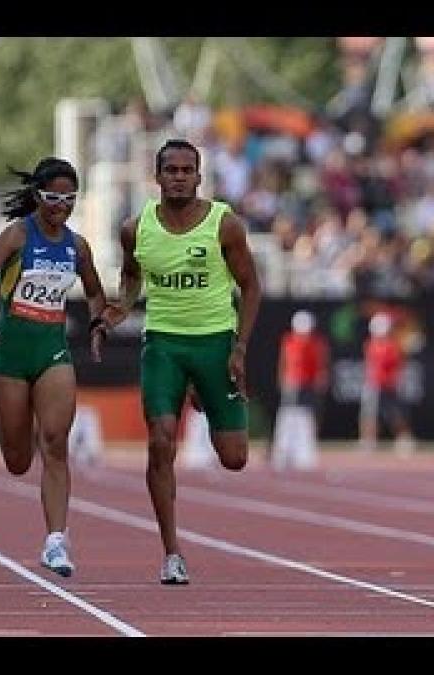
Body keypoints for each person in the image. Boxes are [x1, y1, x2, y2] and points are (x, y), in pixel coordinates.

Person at [93, 138, 262, 585]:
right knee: (162, 440)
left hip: (215, 343)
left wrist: (239, 349)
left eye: (188, 170)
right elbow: (131, 279)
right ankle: (172, 552)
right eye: (172, 169)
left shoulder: (225, 225)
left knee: (235, 457)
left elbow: (252, 287)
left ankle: (201, 390)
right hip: (163, 343)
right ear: (158, 176)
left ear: (199, 176)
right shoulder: (135, 228)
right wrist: (117, 311)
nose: (180, 176)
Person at [0, 157, 108, 578]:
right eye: (53, 197)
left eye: (69, 198)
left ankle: (56, 541)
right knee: (18, 460)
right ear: (38, 196)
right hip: (8, 356)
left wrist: (100, 323)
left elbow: (96, 292)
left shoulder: (78, 246)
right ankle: (17, 446)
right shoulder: (17, 235)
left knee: (56, 441)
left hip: (52, 352)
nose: (61, 206)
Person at [274, 309, 329, 470]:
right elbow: (284, 362)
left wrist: (321, 376)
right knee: (288, 417)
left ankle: (305, 452)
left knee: (307, 417)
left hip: (308, 384)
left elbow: (321, 362)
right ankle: (283, 452)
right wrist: (283, 379)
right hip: (293, 384)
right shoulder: (289, 340)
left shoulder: (317, 342)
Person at [359, 312, 413, 455]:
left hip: (388, 386)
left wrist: (393, 381)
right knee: (369, 415)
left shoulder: (392, 346)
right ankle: (369, 441)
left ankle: (404, 439)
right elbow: (370, 366)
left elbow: (396, 366)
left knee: (394, 414)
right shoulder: (370, 344)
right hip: (373, 386)